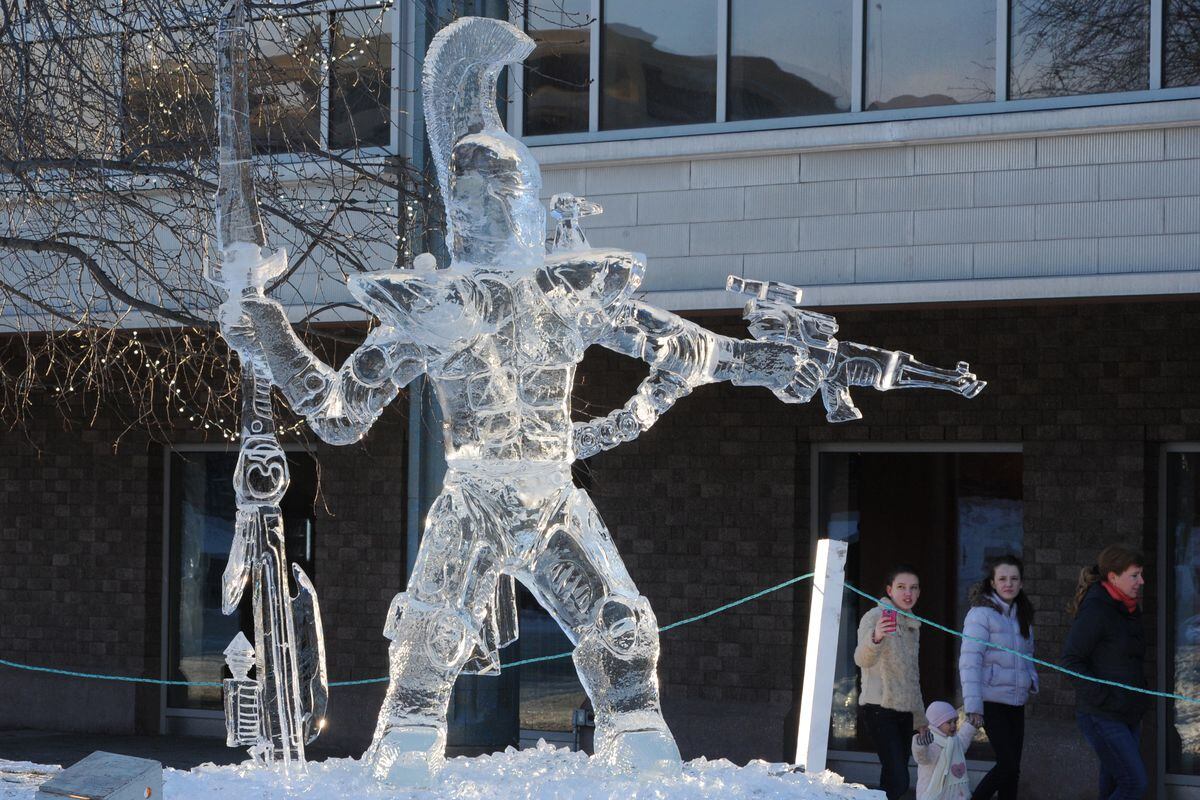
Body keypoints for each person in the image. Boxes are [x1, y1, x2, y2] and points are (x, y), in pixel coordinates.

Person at [1062, 545, 1148, 800]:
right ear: (1113, 576)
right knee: (1134, 783)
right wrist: (1103, 697)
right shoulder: (1096, 610)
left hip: (1129, 712)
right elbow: (1070, 660)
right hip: (1102, 714)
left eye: (1141, 574)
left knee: (1112, 784)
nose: (1141, 582)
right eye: (1135, 575)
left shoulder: (1129, 609)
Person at [958, 555, 1037, 800]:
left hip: (1016, 702)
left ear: (1021, 583)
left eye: (1014, 579)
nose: (1008, 583)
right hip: (991, 701)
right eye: (1002, 578)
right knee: (1007, 765)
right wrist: (973, 706)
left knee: (1013, 771)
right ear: (992, 582)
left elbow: (1028, 654)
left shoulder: (1022, 613)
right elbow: (970, 662)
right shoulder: (980, 614)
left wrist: (1030, 679)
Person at [856, 565, 928, 800]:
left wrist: (920, 718)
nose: (908, 593)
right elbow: (861, 659)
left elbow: (912, 677)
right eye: (901, 587)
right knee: (899, 777)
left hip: (904, 711)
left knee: (893, 775)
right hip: (879, 708)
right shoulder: (874, 617)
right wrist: (875, 637)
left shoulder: (912, 624)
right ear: (889, 590)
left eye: (913, 588)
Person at [914, 701, 977, 800]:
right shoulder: (931, 742)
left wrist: (970, 726)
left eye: (955, 721)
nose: (953, 725)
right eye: (949, 722)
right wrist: (921, 745)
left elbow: (963, 741)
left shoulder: (954, 740)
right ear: (936, 723)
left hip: (953, 794)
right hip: (933, 792)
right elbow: (922, 758)